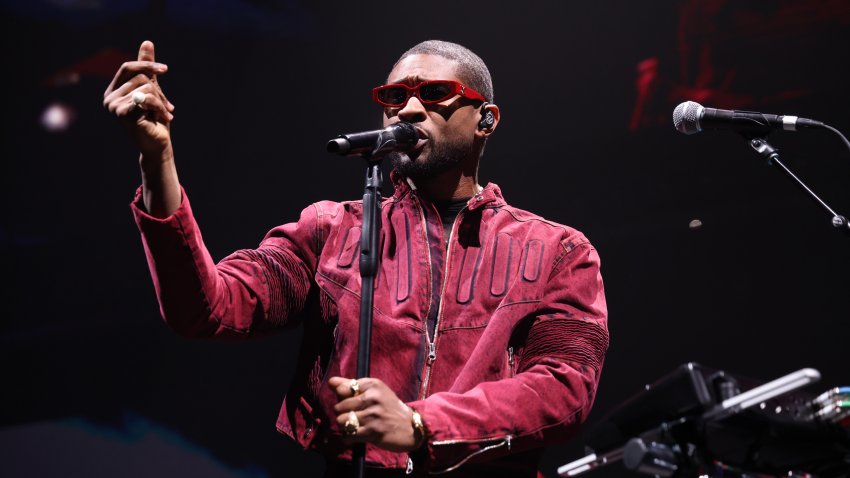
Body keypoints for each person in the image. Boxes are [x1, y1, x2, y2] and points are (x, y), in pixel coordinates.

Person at [104, 39, 609, 477]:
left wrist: (420, 425)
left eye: (433, 94)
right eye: (394, 97)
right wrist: (157, 158)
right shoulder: (331, 230)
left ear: (486, 120)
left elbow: (564, 389)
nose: (409, 109)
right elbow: (208, 308)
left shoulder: (558, 251)